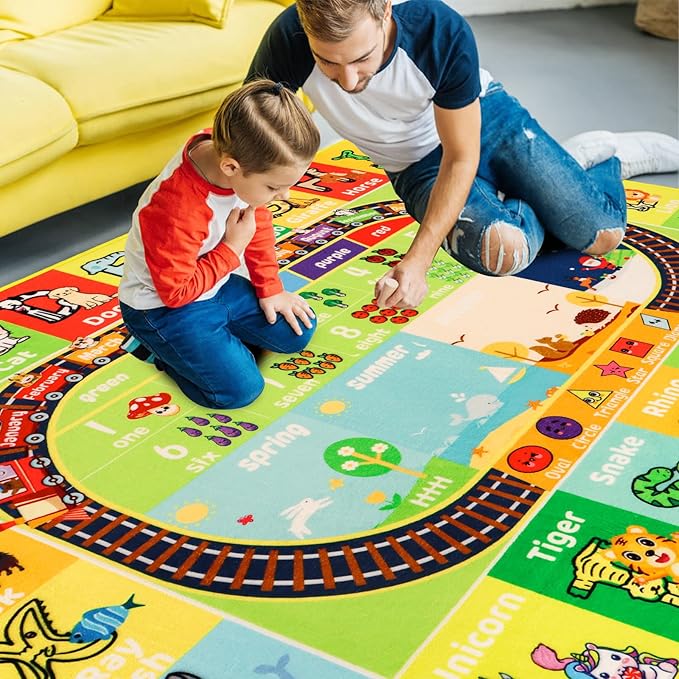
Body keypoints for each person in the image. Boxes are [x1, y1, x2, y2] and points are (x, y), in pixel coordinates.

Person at [246, 0, 679, 309]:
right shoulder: (288, 36)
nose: (348, 80)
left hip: (486, 123)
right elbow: (250, 137)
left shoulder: (438, 28)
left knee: (603, 236)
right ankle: (545, 181)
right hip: (416, 164)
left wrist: (417, 262)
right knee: (503, 253)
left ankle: (596, 158)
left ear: (385, 12)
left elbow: (460, 156)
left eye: (362, 58)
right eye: (327, 63)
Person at [118, 79, 320, 409]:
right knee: (239, 391)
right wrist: (231, 249)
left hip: (216, 285)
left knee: (298, 331)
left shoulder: (236, 153)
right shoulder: (176, 209)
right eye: (274, 188)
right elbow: (176, 294)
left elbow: (257, 223)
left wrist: (271, 289)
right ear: (230, 167)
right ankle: (158, 348)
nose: (285, 196)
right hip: (162, 308)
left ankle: (210, 342)